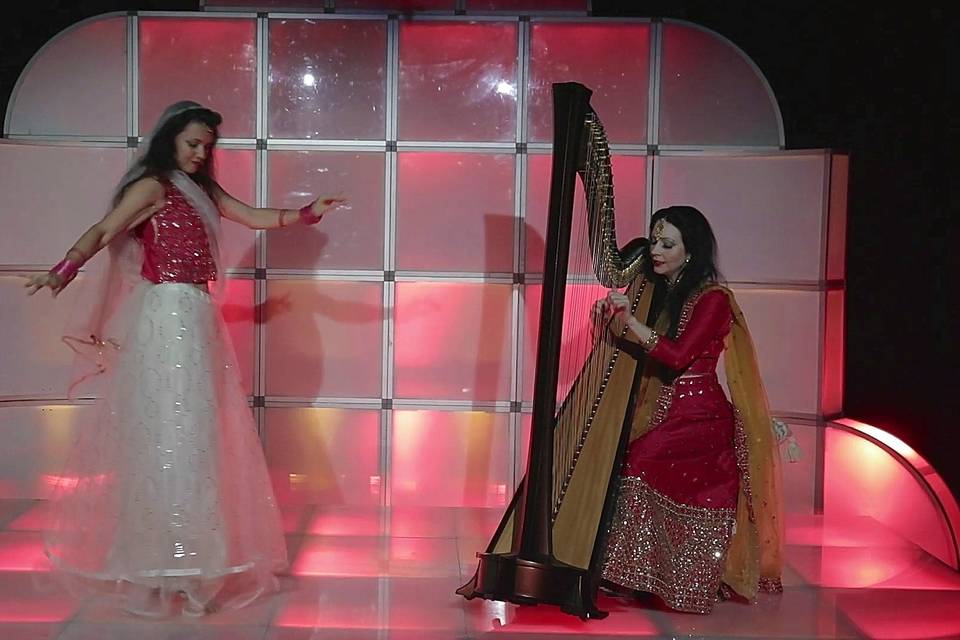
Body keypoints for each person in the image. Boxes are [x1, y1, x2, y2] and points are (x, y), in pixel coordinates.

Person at [24, 101, 345, 617]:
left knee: (196, 434)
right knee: (168, 432)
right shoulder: (153, 186)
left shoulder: (203, 191)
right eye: (193, 143)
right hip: (168, 313)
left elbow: (252, 216)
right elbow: (106, 230)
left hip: (194, 314)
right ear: (171, 138)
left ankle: (190, 561)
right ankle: (161, 560)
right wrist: (62, 270)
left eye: (208, 146)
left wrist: (308, 212)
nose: (200, 153)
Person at [593, 205, 783, 614]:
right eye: (655, 241)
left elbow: (678, 357)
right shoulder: (662, 293)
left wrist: (631, 322)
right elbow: (642, 347)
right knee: (627, 459)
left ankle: (655, 577)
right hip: (668, 410)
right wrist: (610, 320)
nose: (655, 251)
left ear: (690, 250)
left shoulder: (712, 299)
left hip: (700, 417)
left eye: (667, 244)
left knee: (637, 461)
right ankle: (637, 575)